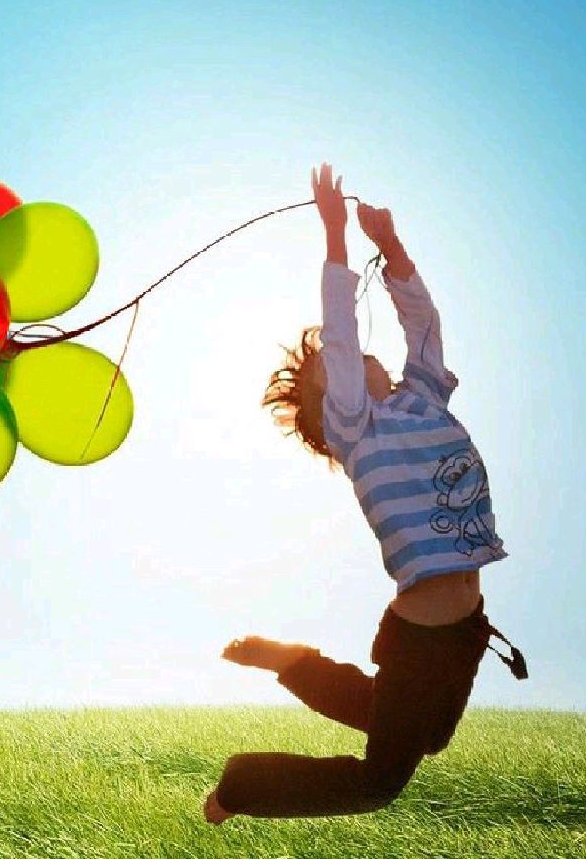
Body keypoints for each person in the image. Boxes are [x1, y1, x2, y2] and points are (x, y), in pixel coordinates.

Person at [203, 162, 525, 824]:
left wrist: (394, 248)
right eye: (334, 370)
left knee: (426, 736)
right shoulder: (357, 428)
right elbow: (342, 335)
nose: (348, 359)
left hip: (465, 625)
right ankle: (240, 785)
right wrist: (335, 234)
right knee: (380, 784)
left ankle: (294, 665)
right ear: (334, 404)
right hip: (420, 637)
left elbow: (424, 325)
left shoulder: (422, 398)